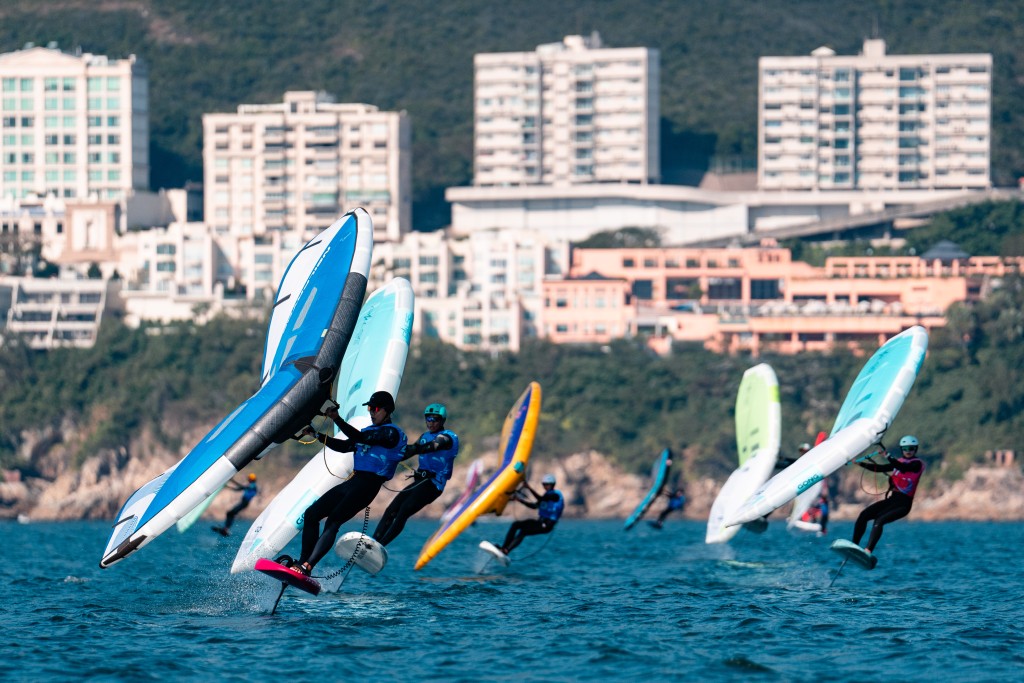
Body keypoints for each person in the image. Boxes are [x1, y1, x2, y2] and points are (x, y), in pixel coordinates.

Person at [288, 390, 408, 576]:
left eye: (375, 408)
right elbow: (345, 447)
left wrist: (337, 418)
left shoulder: (391, 434)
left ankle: (308, 566)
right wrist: (317, 435)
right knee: (311, 514)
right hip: (354, 482)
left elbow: (361, 438)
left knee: (333, 520)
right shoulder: (369, 432)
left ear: (387, 410)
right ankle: (302, 562)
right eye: (369, 408)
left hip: (368, 486)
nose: (371, 412)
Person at [372, 402, 459, 546]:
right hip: (419, 482)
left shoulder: (448, 437)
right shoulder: (424, 436)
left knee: (403, 511)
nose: (430, 423)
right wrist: (388, 457)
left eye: (435, 419)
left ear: (442, 420)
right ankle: (373, 541)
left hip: (433, 486)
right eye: (428, 419)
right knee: (391, 509)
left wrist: (416, 448)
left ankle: (380, 545)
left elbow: (434, 445)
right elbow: (410, 451)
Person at [850, 435, 925, 561]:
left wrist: (887, 456)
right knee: (863, 515)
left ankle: (868, 551)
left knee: (879, 521)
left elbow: (904, 468)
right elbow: (880, 468)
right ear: (902, 449)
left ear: (915, 449)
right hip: (891, 500)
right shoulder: (899, 462)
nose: (908, 451)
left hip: (903, 505)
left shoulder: (917, 464)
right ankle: (854, 546)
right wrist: (860, 463)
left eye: (911, 448)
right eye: (905, 448)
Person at [496, 473, 564, 556]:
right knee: (515, 525)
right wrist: (519, 500)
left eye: (547, 484)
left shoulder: (556, 495)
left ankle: (507, 551)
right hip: (539, 522)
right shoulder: (546, 495)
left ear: (552, 485)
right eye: (544, 484)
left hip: (547, 525)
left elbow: (540, 498)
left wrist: (529, 488)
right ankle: (503, 548)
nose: (545, 486)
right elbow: (534, 506)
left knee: (524, 531)